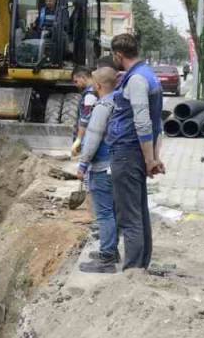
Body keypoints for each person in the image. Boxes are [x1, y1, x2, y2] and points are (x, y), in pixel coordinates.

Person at [104, 32, 165, 273]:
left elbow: (143, 123)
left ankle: (132, 272)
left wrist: (151, 159)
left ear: (118, 55)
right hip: (135, 153)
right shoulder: (146, 76)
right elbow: (156, 120)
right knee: (138, 211)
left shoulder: (137, 81)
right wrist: (153, 157)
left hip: (127, 153)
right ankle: (140, 267)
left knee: (128, 216)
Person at [76, 66, 120, 271]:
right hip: (117, 165)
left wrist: (83, 164)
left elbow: (92, 138)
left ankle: (107, 258)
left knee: (104, 213)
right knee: (112, 210)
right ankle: (111, 249)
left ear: (99, 85)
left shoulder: (103, 106)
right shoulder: (120, 102)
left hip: (102, 167)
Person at [70, 65, 98, 157]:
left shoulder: (90, 95)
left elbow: (85, 119)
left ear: (83, 77)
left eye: (76, 81)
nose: (75, 84)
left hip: (89, 137)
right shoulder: (96, 90)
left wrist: (78, 139)